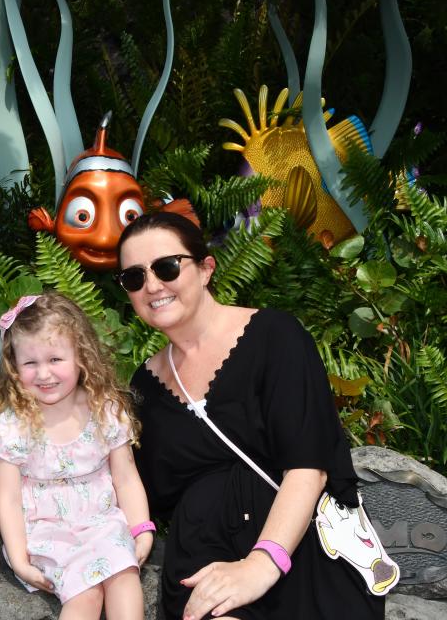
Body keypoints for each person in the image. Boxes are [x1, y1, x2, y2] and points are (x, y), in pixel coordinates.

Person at [115, 212, 385, 620]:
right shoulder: (144, 387)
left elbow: (308, 467)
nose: (152, 285)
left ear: (206, 268)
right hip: (202, 562)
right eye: (134, 277)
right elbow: (132, 484)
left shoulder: (275, 337)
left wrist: (262, 563)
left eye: (166, 267)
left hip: (296, 549)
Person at [0, 292, 153, 620]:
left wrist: (142, 529)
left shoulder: (105, 409)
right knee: (84, 592)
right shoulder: (13, 424)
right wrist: (19, 560)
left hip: (101, 522)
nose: (44, 374)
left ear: (81, 356)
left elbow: (126, 477)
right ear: (14, 367)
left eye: (55, 359)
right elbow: (9, 500)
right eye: (30, 363)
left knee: (123, 574)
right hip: (47, 531)